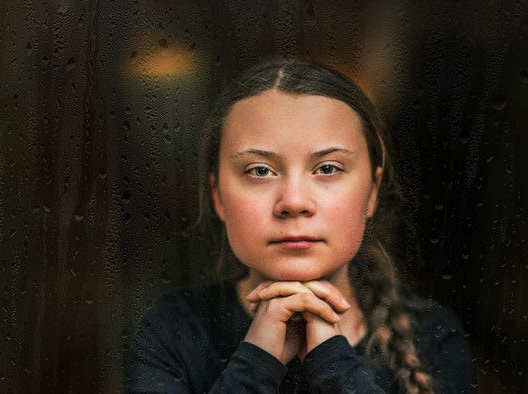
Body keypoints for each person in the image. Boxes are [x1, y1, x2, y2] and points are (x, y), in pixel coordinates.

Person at [125, 59, 473, 393]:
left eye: (328, 168)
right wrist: (257, 360)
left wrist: (332, 361)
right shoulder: (172, 331)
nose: (293, 202)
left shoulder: (432, 337)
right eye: (259, 171)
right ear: (218, 197)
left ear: (371, 192)